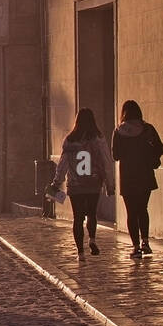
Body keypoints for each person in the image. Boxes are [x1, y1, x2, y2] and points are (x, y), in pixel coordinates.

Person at [48, 107, 115, 259]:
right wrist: (109, 183)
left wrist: (56, 183)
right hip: (93, 182)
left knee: (78, 218)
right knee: (92, 213)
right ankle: (92, 239)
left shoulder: (70, 140)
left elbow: (62, 164)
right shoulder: (98, 139)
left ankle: (80, 252)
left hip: (75, 184)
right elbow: (106, 161)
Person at [112, 100, 163, 259]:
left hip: (128, 176)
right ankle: (146, 242)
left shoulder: (118, 131)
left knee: (131, 212)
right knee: (143, 209)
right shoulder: (147, 129)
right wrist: (151, 156)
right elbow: (160, 147)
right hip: (145, 174)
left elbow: (116, 155)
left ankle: (135, 247)